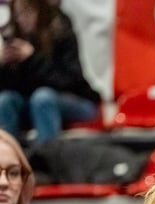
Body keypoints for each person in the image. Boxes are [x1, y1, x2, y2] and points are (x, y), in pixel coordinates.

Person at [0, 0, 100, 144]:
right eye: (17, 15)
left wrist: (32, 59)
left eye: (27, 13)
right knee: (5, 100)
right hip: (32, 102)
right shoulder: (15, 37)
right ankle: (7, 160)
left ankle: (46, 159)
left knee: (42, 98)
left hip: (77, 100)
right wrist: (4, 66)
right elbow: (14, 89)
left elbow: (70, 81)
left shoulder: (61, 30)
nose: (22, 20)